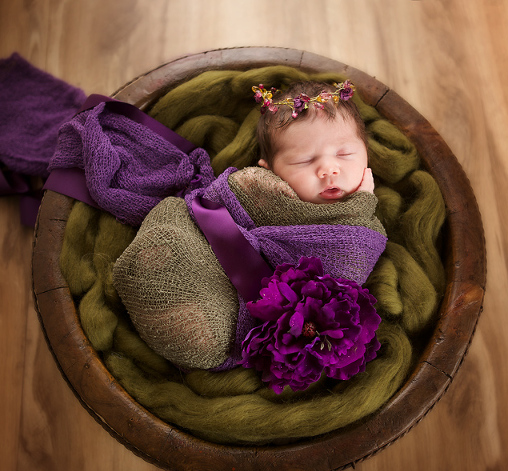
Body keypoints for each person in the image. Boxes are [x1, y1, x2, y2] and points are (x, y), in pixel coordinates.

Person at [112, 80, 388, 373]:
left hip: (246, 302)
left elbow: (340, 283)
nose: (329, 169)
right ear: (269, 170)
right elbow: (213, 200)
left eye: (345, 154)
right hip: (202, 245)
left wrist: (361, 204)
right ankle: (161, 282)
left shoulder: (359, 234)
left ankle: (185, 320)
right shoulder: (262, 188)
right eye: (304, 161)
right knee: (169, 240)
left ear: (366, 154)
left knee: (206, 335)